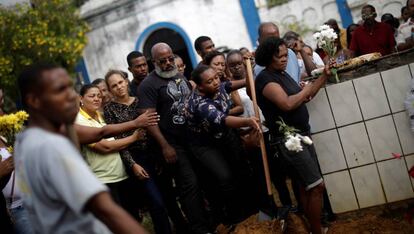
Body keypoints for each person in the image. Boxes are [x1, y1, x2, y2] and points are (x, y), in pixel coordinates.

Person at [15, 63, 146, 234]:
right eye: (60, 90)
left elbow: (98, 132)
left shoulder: (24, 140)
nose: (72, 96)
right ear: (34, 101)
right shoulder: (52, 146)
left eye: (71, 88)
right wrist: (135, 128)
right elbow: (106, 210)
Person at [255, 37, 330, 234]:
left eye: (285, 55)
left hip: (301, 134)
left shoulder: (281, 74)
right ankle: (316, 230)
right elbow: (287, 103)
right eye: (278, 56)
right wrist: (311, 85)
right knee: (316, 186)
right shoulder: (265, 79)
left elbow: (306, 95)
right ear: (268, 57)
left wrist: (319, 80)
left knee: (306, 186)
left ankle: (314, 229)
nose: (284, 59)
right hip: (289, 139)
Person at [138, 43, 212, 234]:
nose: (169, 63)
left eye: (171, 58)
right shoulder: (148, 85)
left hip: (193, 138)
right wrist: (164, 146)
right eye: (163, 61)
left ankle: (211, 221)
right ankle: (200, 229)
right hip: (172, 144)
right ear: (154, 62)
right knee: (189, 184)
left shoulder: (178, 75)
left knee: (203, 178)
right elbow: (149, 120)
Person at [186, 64, 259, 225]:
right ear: (200, 86)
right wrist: (247, 121)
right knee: (225, 177)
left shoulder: (217, 86)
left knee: (241, 169)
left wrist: (249, 80)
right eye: (210, 81)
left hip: (223, 136)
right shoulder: (200, 104)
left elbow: (230, 85)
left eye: (216, 78)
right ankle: (235, 218)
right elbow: (224, 120)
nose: (216, 82)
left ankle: (252, 210)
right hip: (204, 144)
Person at [103, 70, 172, 234]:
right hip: (136, 158)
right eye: (114, 86)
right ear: (110, 90)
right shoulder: (110, 110)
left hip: (156, 153)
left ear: (126, 81)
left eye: (120, 82)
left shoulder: (141, 101)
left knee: (169, 198)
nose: (119, 87)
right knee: (156, 202)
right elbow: (118, 142)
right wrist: (132, 164)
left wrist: (161, 152)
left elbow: (156, 125)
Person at [203, 50, 244, 116]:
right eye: (216, 64)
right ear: (207, 65)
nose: (220, 68)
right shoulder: (202, 86)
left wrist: (219, 114)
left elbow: (240, 108)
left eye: (223, 65)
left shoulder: (228, 83)